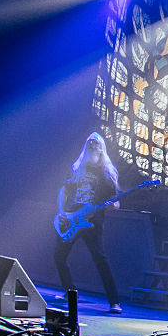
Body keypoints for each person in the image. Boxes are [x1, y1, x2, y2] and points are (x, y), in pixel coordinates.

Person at [54, 132, 123, 313]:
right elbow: (63, 190)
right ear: (86, 147)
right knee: (59, 256)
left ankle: (114, 302)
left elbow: (116, 203)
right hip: (71, 220)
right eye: (90, 144)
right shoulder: (76, 168)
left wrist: (110, 206)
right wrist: (62, 211)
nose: (93, 146)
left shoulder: (107, 173)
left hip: (92, 222)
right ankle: (70, 292)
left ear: (102, 149)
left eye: (97, 144)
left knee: (100, 259)